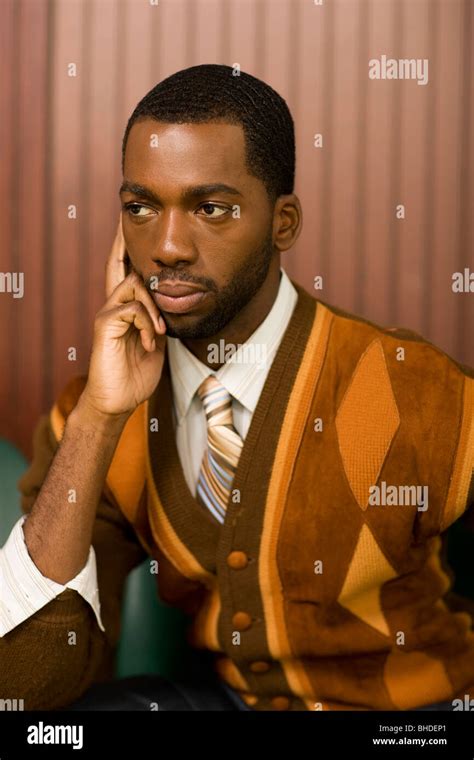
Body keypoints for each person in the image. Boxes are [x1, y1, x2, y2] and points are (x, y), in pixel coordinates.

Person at [0, 64, 473, 712]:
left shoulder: (416, 390)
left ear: (283, 223)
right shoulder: (97, 413)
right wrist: (98, 420)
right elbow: (24, 689)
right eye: (140, 207)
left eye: (211, 208)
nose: (166, 247)